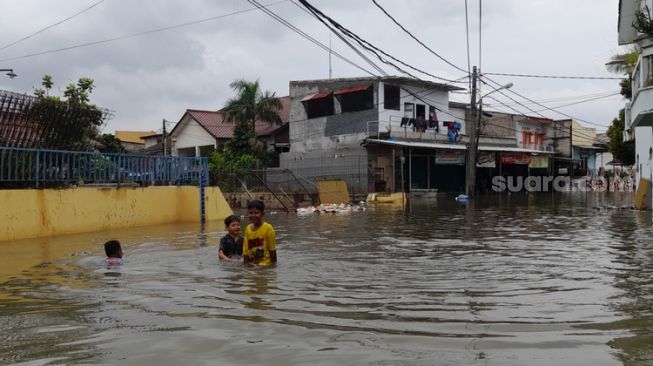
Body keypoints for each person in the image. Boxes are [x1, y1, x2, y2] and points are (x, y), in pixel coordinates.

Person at [243, 200, 277, 266]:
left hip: (265, 265)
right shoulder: (247, 228)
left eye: (256, 213)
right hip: (252, 264)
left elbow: (272, 250)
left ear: (262, 214)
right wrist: (246, 266)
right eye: (251, 213)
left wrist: (273, 268)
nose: (253, 215)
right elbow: (245, 250)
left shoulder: (268, 228)